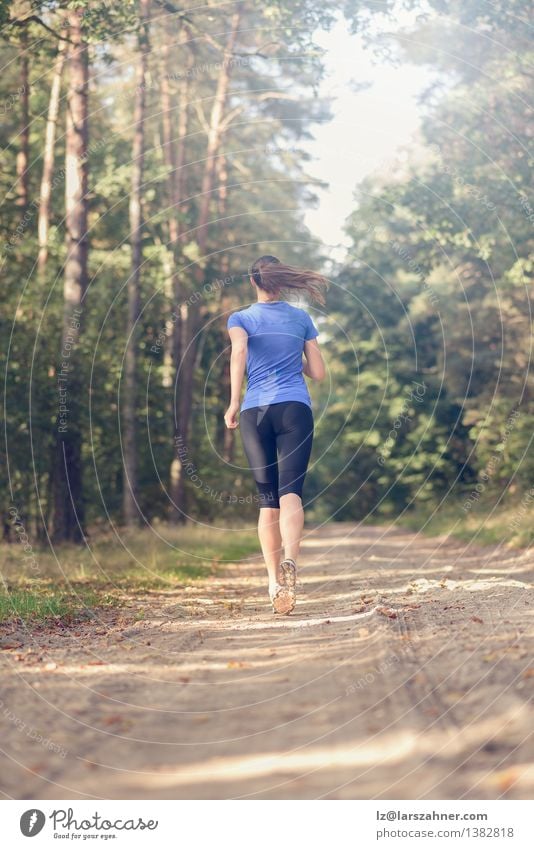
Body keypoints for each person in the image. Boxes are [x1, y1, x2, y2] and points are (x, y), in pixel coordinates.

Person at [225, 255, 328, 614]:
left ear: (253, 282)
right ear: (282, 282)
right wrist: (291, 359)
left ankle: (272, 582)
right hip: (295, 410)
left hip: (256, 412)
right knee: (291, 494)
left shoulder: (240, 319)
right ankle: (292, 562)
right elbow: (317, 372)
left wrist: (233, 403)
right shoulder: (301, 319)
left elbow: (239, 351)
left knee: (267, 500)